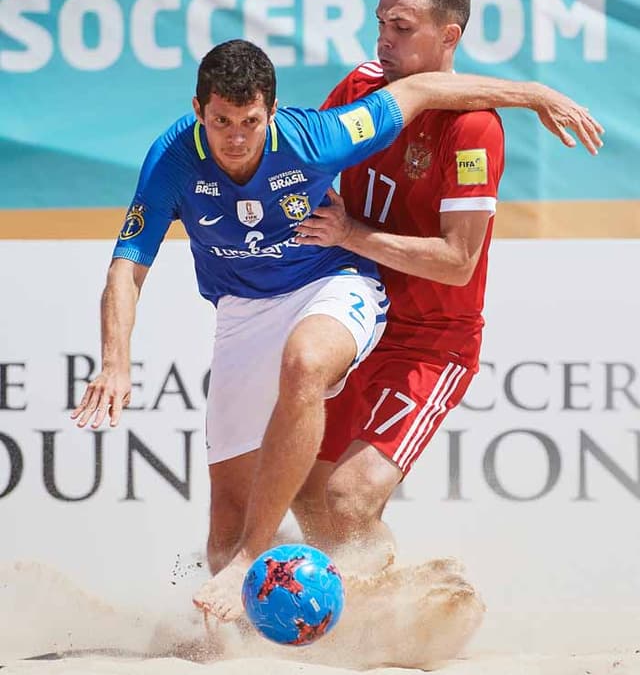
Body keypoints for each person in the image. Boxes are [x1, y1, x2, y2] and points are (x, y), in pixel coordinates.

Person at [70, 38, 602, 623]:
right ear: (198, 110)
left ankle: (259, 554)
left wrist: (536, 94)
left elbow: (421, 89)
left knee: (304, 366)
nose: (236, 138)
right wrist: (114, 361)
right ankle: (328, 615)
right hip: (242, 311)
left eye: (249, 121)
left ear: (271, 111)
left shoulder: (313, 136)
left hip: (331, 283)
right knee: (224, 535)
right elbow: (126, 268)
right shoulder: (171, 158)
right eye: (221, 121)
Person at [291, 0, 605, 572]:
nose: (384, 37)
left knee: (349, 498)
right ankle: (355, 619)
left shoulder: (472, 129)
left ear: (449, 36)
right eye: (381, 21)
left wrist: (351, 233)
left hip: (427, 342)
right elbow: (312, 171)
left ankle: (398, 617)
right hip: (353, 321)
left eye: (403, 27)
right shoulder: (360, 88)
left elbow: (458, 263)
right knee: (304, 489)